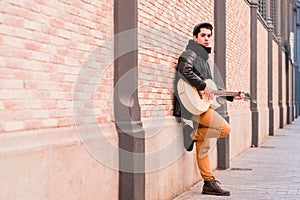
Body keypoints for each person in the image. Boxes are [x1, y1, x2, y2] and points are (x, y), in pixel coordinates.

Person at [173, 22, 244, 196]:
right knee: (224, 128)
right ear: (195, 37)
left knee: (203, 149)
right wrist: (202, 84)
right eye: (203, 35)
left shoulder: (204, 59)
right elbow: (184, 69)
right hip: (191, 106)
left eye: (208, 36)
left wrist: (230, 95)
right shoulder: (189, 53)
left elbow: (211, 87)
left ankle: (208, 182)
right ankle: (191, 135)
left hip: (201, 105)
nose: (206, 38)